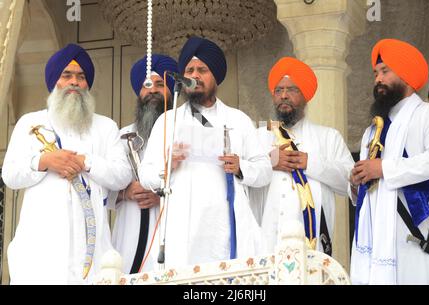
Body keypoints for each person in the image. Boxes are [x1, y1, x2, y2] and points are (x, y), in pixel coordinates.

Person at [2, 44, 132, 284]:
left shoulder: (106, 127)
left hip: (92, 253)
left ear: (87, 84)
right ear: (55, 82)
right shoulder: (30, 122)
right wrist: (44, 161)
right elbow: (10, 174)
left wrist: (86, 161)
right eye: (67, 75)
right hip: (41, 252)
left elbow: (122, 176)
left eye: (81, 77)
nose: (74, 82)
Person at [138, 36, 272, 267]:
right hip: (183, 234)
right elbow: (145, 176)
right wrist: (168, 164)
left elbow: (265, 171)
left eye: (202, 69)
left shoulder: (237, 120)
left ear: (215, 76)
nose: (195, 76)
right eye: (189, 70)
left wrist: (241, 167)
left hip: (225, 230)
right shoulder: (168, 120)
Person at [350, 38, 429, 285]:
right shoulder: (371, 130)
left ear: (406, 74)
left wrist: (384, 168)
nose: (378, 79)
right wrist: (355, 182)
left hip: (411, 239)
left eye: (385, 71)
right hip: (372, 239)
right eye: (375, 73)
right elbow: (366, 188)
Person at [251, 57, 354, 255]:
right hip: (267, 245)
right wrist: (270, 161)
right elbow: (241, 175)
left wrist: (311, 163)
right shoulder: (258, 137)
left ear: (305, 96)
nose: (284, 96)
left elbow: (349, 183)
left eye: (292, 90)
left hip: (312, 247)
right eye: (279, 90)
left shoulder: (328, 137)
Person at [110, 54, 178, 273]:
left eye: (160, 84)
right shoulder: (122, 135)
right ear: (139, 92)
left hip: (172, 228)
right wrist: (125, 193)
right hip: (130, 228)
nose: (152, 91)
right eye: (146, 85)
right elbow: (101, 187)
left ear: (171, 91)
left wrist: (160, 194)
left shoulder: (183, 130)